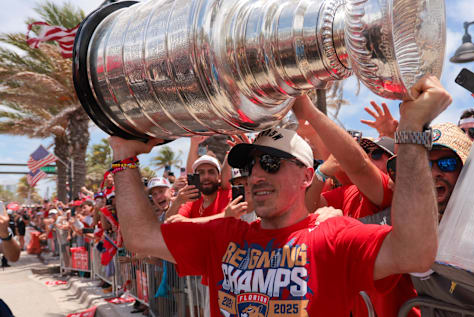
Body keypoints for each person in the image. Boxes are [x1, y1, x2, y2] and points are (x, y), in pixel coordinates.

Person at [109, 74, 449, 317]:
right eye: (251, 167)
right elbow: (140, 238)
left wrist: (410, 133)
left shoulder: (335, 236)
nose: (257, 175)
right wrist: (123, 156)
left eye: (271, 163)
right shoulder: (224, 235)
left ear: (305, 175)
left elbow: (415, 253)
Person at [167, 154, 231, 221]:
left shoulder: (229, 196)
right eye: (201, 173)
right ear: (195, 178)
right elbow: (168, 222)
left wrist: (188, 221)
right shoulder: (191, 202)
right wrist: (177, 202)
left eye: (211, 172)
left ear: (219, 177)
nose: (206, 177)